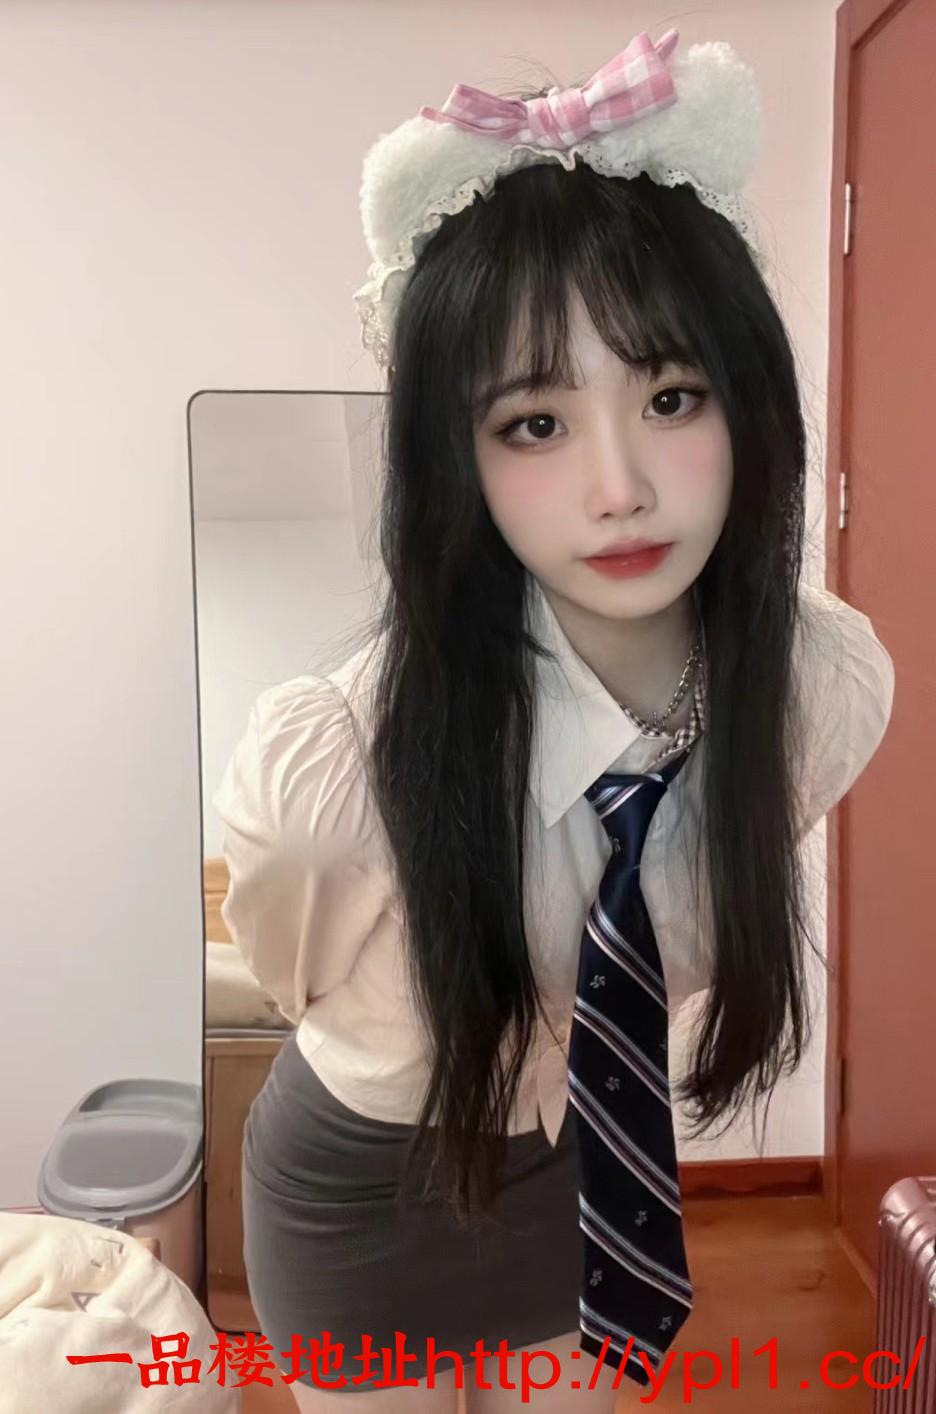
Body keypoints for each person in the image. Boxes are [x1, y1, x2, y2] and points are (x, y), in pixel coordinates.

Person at [212, 29, 895, 1412]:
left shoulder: (821, 687)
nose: (620, 485)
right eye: (534, 422)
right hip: (362, 1183)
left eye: (671, 396)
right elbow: (291, 983)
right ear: (453, 457)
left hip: (579, 1165)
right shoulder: (338, 769)